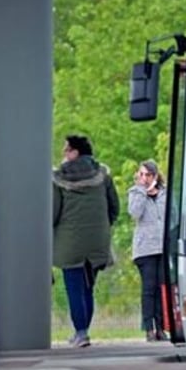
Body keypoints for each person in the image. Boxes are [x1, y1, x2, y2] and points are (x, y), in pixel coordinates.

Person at [53, 135, 120, 348]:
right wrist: (102, 226)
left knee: (74, 288)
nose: (64, 153)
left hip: (69, 242)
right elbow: (114, 207)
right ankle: (84, 331)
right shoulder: (103, 174)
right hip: (97, 241)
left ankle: (81, 332)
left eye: (67, 150)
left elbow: (53, 212)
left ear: (76, 153)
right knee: (88, 287)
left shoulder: (59, 178)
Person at [128, 160, 168, 342]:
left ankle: (161, 326)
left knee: (161, 287)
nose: (145, 178)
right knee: (149, 288)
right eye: (142, 174)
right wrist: (143, 191)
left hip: (162, 247)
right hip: (145, 249)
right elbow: (135, 213)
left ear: (155, 176)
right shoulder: (135, 193)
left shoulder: (165, 194)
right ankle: (148, 327)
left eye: (148, 175)